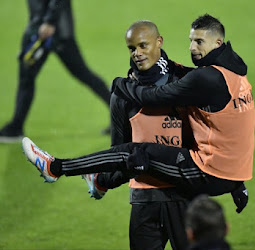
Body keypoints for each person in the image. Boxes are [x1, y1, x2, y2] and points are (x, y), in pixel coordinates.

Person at [22, 14, 253, 215]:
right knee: (137, 159)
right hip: (227, 174)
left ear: (218, 42)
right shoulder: (233, 74)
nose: (192, 47)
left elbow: (154, 97)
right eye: (191, 41)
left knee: (135, 152)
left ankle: (55, 167)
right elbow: (232, 133)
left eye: (199, 42)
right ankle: (99, 181)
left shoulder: (204, 78)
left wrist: (120, 86)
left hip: (206, 173)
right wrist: (236, 183)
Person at [74, 20, 193, 250]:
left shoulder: (183, 83)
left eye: (143, 46)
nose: (137, 53)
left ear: (159, 42)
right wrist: (106, 177)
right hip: (144, 200)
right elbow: (118, 151)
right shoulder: (122, 96)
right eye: (131, 48)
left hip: (185, 197)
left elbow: (206, 139)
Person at [0, 0, 111, 143]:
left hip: (55, 31)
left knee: (82, 73)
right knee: (27, 76)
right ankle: (16, 126)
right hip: (39, 29)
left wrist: (49, 21)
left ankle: (120, 113)